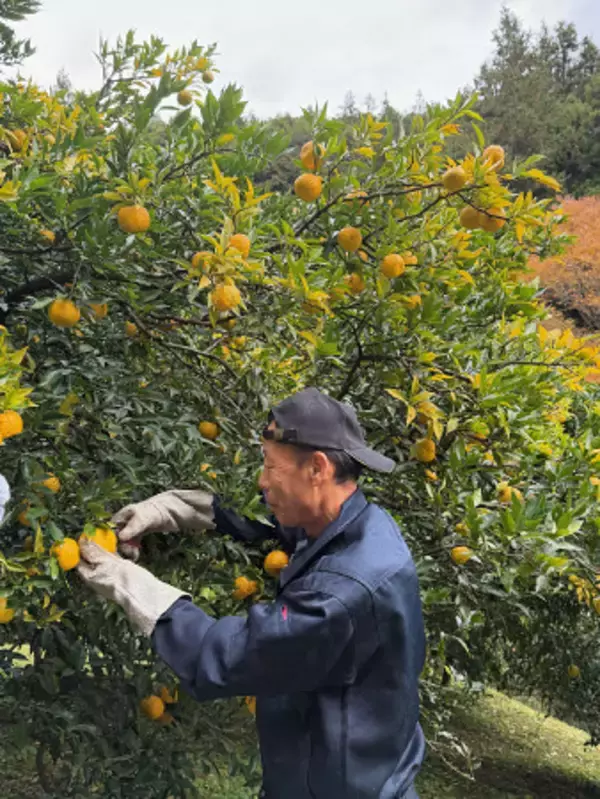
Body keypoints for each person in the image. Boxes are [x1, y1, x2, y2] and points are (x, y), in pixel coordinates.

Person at [77, 387, 426, 799]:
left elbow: (228, 655)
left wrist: (129, 583)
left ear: (317, 468)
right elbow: (274, 530)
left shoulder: (340, 597)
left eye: (271, 466)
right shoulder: (354, 524)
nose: (262, 481)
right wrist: (185, 508)